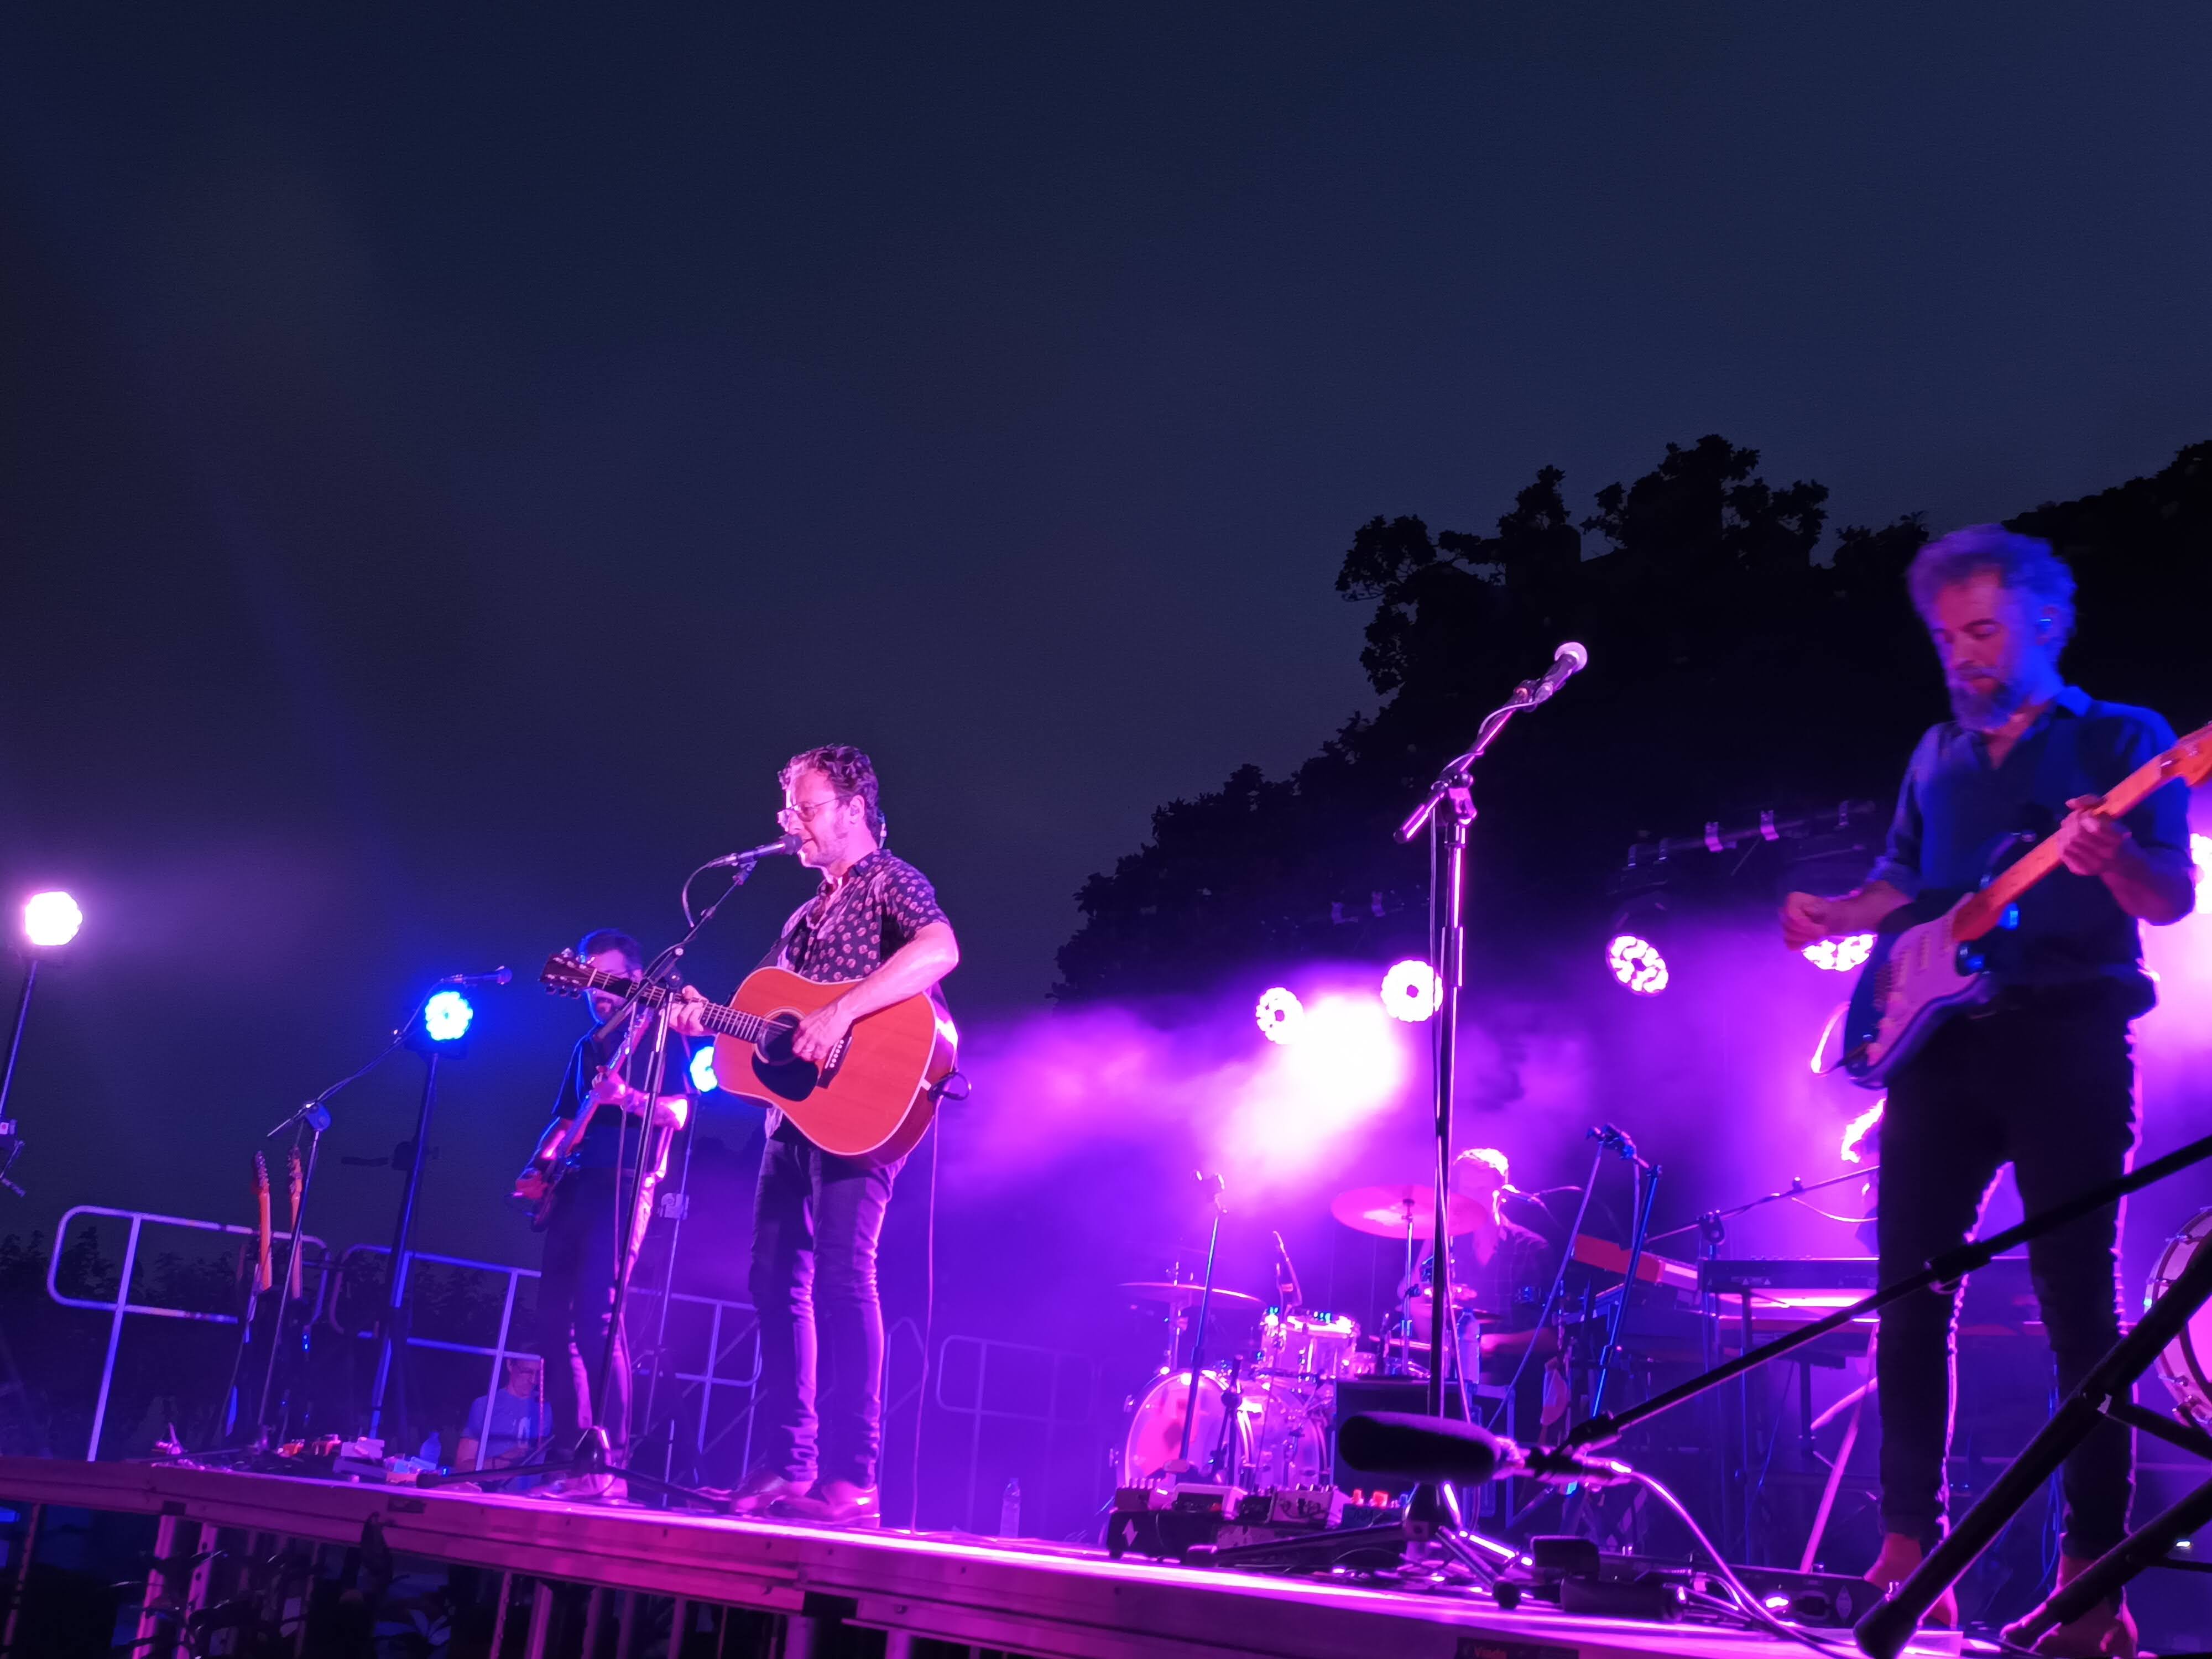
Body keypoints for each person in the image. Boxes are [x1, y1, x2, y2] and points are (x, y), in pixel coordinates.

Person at [1781, 525, 2194, 1656]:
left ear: (2046, 625)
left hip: (2068, 1040)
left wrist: (2108, 857)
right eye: (1941, 637)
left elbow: (2167, 902)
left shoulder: (2126, 740)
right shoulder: (1933, 755)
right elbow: (1901, 885)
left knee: (2082, 1319)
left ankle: (2089, 1593)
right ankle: (1908, 1558)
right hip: (1937, 1056)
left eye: (1981, 632)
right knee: (1904, 1303)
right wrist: (1832, 913)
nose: (1960, 657)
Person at [670, 745, 959, 1527]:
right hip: (792, 1120)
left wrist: (842, 1013)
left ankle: (853, 1473)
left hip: (864, 1110)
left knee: (841, 1278)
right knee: (771, 1282)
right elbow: (762, 1016)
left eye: (805, 806)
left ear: (853, 807)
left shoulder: (891, 881)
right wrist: (702, 1015)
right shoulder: (802, 916)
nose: (790, 822)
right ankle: (787, 1459)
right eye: (786, 810)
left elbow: (939, 950)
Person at [514, 928, 694, 1502]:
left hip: (623, 1185)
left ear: (635, 979)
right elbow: (565, 1119)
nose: (599, 991)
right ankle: (571, 1460)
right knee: (552, 1327)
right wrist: (537, 1165)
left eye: (608, 979)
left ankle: (606, 1463)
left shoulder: (658, 1036)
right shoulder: (588, 1046)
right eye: (590, 981)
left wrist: (628, 1100)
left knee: (598, 1319)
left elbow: (680, 1112)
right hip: (572, 1186)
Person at [455, 1354, 551, 1485]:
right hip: (491, 1497)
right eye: (527, 1372)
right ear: (510, 1365)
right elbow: (462, 1466)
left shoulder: (544, 1407)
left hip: (530, 1499)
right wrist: (501, 1461)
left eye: (538, 1373)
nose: (534, 1380)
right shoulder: (485, 1405)